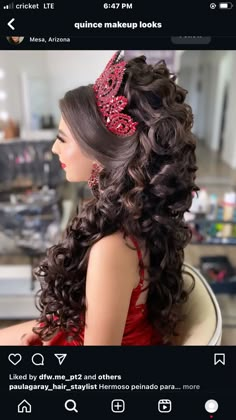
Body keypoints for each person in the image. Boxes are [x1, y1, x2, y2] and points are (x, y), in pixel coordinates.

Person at [0, 51, 198, 346]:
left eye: (63, 138)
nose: (54, 149)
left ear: (101, 153)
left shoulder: (113, 249)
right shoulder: (134, 216)